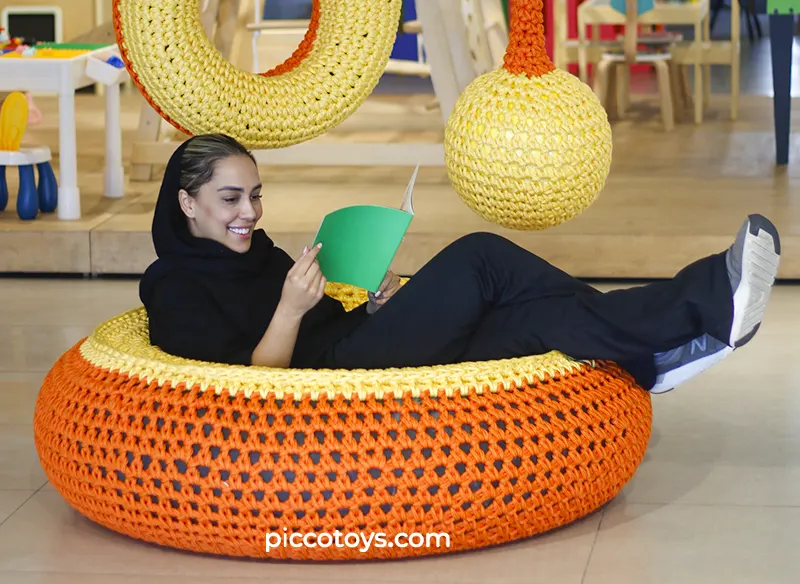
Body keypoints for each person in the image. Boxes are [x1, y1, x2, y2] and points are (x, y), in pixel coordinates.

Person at [141, 134, 781, 394]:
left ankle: (653, 359)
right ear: (186, 202)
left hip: (357, 340)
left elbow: (323, 318)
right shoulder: (171, 286)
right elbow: (246, 386)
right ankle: (702, 301)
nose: (249, 212)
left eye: (255, 195)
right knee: (480, 256)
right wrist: (289, 309)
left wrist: (376, 304)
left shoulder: (259, 253)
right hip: (326, 378)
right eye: (231, 199)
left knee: (534, 319)